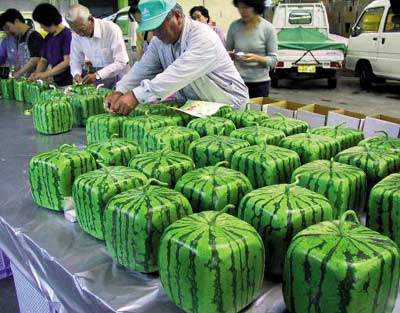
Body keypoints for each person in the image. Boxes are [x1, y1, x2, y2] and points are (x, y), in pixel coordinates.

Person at [106, 0, 248, 116]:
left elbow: (177, 73)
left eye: (159, 26)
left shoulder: (203, 37)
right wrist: (121, 90)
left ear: (178, 16)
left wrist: (136, 95)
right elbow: (142, 69)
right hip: (199, 109)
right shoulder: (158, 42)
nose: (155, 33)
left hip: (229, 107)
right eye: (152, 28)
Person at [66, 4, 130, 88]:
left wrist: (97, 75)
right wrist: (76, 74)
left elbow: (121, 61)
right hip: (97, 77)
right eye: (76, 31)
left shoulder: (111, 29)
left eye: (83, 29)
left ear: (90, 18)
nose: (80, 34)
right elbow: (75, 60)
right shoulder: (76, 35)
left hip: (119, 75)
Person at [226, 0, 278, 98]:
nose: (242, 11)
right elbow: (226, 51)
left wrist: (257, 58)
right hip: (238, 81)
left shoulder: (268, 28)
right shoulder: (234, 26)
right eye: (239, 8)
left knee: (256, 112)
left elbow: (273, 61)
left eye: (246, 8)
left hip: (259, 84)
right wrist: (232, 56)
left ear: (256, 7)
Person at [30, 3, 72, 86]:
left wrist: (44, 74)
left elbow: (67, 62)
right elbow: (43, 60)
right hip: (56, 81)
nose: (41, 27)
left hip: (69, 82)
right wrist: (36, 74)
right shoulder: (48, 37)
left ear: (48, 20)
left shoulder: (67, 35)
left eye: (41, 23)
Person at [0, 9, 44, 78]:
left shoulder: (34, 36)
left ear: (17, 21)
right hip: (25, 79)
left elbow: (35, 59)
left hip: (34, 79)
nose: (7, 32)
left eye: (7, 28)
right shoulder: (20, 38)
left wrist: (18, 73)